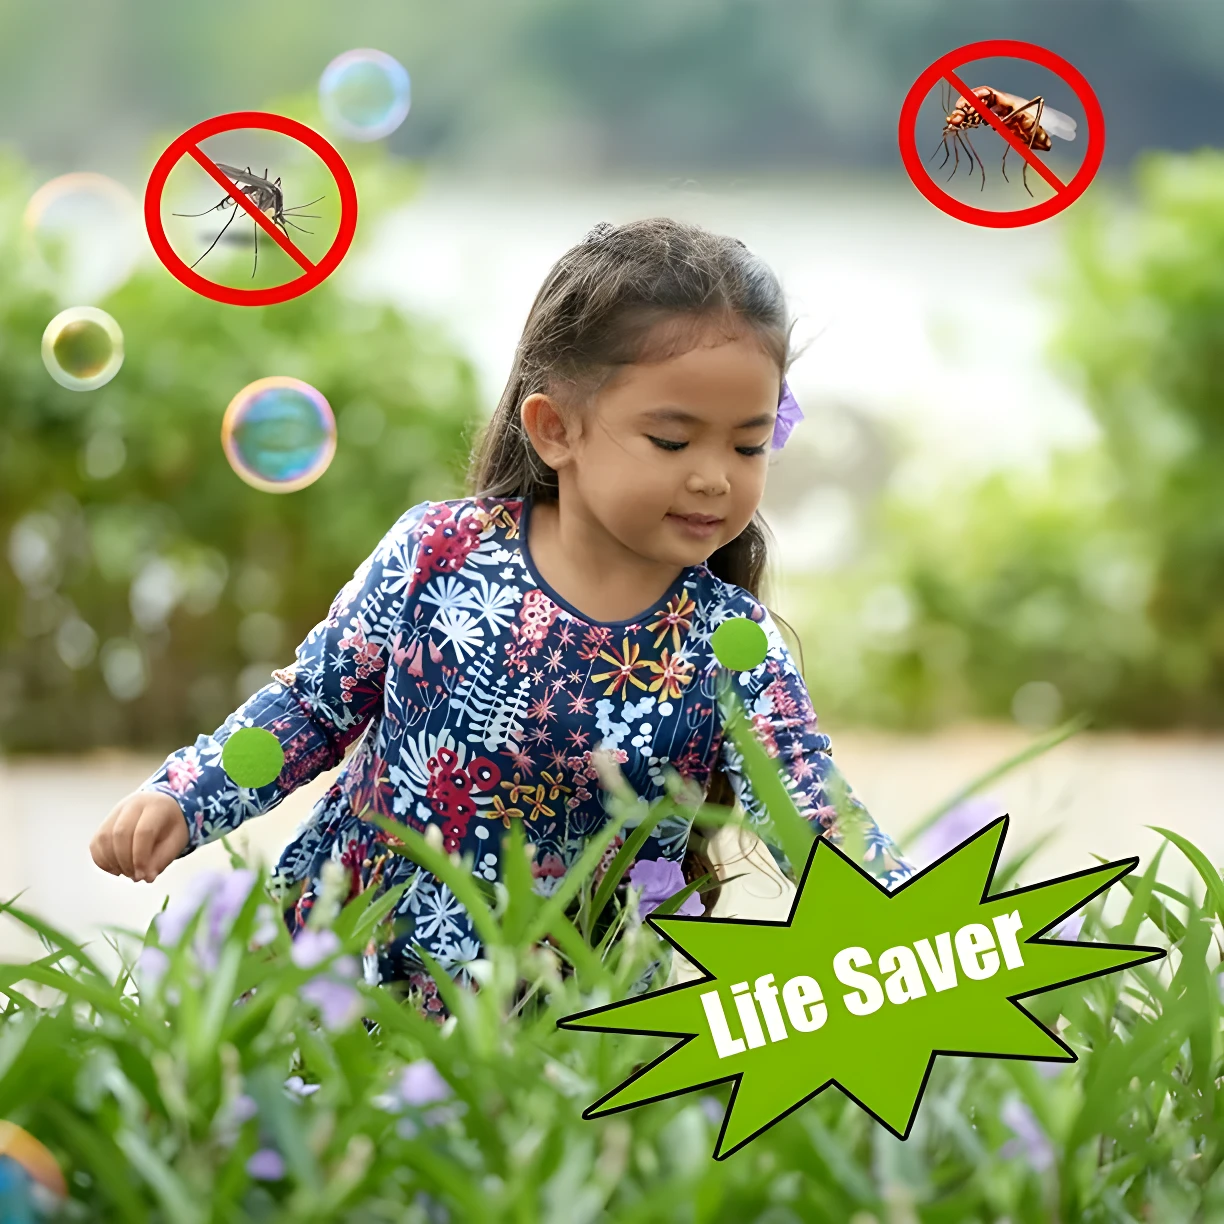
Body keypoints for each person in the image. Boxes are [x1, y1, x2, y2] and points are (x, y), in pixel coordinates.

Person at [90, 217, 913, 1000]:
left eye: (746, 443)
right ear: (556, 430)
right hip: (344, 980)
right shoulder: (439, 555)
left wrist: (920, 930)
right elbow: (311, 707)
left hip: (561, 1034)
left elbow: (808, 807)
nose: (714, 477)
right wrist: (187, 796)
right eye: (672, 440)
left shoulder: (726, 643)